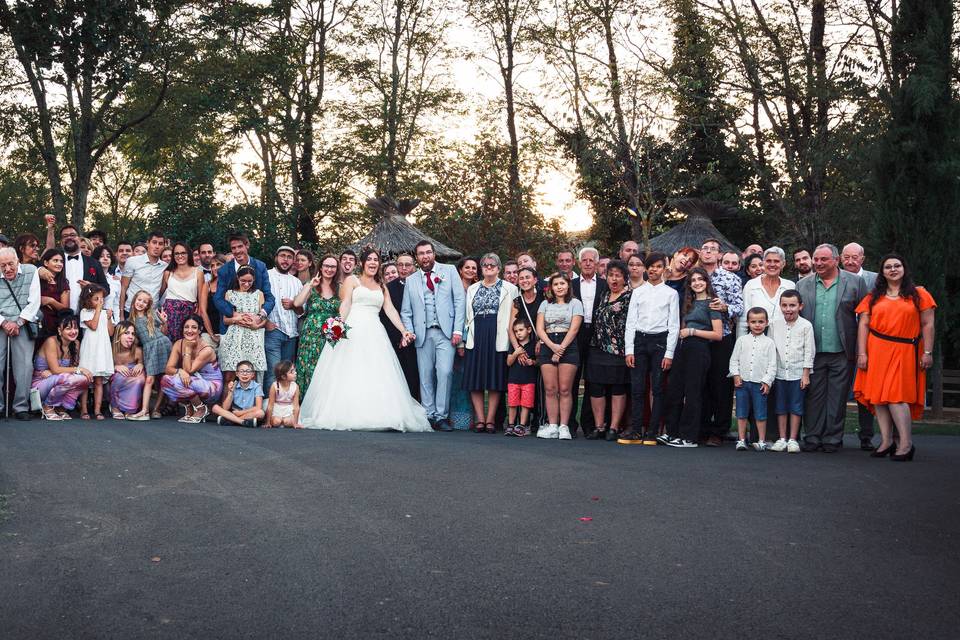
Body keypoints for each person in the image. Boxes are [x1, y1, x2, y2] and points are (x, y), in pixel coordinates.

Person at [301, 247, 431, 432]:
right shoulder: (351, 280)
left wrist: (404, 330)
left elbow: (390, 310)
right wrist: (338, 324)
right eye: (369, 259)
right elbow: (345, 304)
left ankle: (381, 414)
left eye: (375, 260)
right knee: (350, 370)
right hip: (354, 329)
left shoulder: (382, 285)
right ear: (362, 263)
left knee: (377, 371)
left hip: (375, 332)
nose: (372, 263)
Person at [854, 254, 936, 462]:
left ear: (904, 268)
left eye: (897, 265)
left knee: (896, 397)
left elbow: (928, 324)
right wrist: (862, 353)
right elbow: (863, 325)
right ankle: (887, 441)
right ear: (882, 272)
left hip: (904, 349)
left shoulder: (919, 294)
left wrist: (928, 352)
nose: (892, 269)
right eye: (888, 267)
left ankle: (906, 444)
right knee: (879, 397)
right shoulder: (873, 296)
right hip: (877, 349)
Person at [796, 243, 868, 452]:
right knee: (813, 397)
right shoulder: (803, 285)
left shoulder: (855, 282)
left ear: (836, 260)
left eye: (823, 259)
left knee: (837, 398)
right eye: (815, 259)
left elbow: (865, 317)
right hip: (813, 352)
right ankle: (812, 436)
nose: (818, 263)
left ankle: (832, 439)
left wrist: (861, 350)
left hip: (842, 351)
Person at [401, 240, 466, 430]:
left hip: (446, 333)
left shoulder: (449, 271)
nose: (425, 256)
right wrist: (410, 331)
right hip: (422, 334)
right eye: (421, 253)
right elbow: (406, 311)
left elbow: (459, 301)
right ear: (417, 257)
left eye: (428, 252)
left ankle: (441, 416)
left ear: (434, 254)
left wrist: (457, 330)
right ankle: (428, 415)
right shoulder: (411, 280)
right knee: (425, 375)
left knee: (445, 372)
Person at [660, 268, 724, 448]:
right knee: (674, 390)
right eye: (693, 280)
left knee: (693, 393)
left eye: (700, 279)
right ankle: (672, 432)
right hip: (683, 348)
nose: (697, 283)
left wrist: (693, 331)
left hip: (699, 349)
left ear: (706, 282)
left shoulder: (712, 303)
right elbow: (681, 328)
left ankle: (689, 437)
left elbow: (718, 334)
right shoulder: (688, 303)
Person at [620, 252, 679, 445]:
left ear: (664, 269)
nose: (654, 270)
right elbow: (630, 322)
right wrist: (629, 350)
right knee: (637, 388)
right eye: (651, 266)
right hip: (639, 340)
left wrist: (669, 353)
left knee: (657, 388)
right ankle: (637, 430)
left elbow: (674, 326)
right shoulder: (638, 292)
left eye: (658, 266)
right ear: (646, 268)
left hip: (660, 342)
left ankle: (652, 431)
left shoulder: (671, 293)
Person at [463, 253, 519, 433]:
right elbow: (467, 316)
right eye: (485, 264)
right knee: (475, 379)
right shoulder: (473, 288)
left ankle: (490, 420)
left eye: (492, 264)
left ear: (499, 268)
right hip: (476, 334)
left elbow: (515, 317)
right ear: (481, 267)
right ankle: (480, 419)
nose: (488, 267)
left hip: (498, 334)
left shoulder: (510, 288)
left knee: (495, 379)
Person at [698, 238, 745, 447]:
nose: (708, 252)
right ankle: (702, 427)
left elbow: (739, 307)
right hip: (697, 337)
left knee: (721, 384)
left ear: (719, 255)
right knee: (700, 383)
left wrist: (725, 307)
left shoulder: (730, 278)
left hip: (722, 336)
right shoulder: (693, 276)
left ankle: (720, 429)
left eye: (713, 250)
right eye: (705, 249)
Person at [584, 260, 632, 441]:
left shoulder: (630, 297)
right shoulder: (603, 295)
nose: (614, 279)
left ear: (624, 278)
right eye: (611, 275)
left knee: (618, 387)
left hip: (618, 350)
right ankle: (599, 426)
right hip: (597, 348)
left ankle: (613, 427)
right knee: (596, 387)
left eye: (618, 276)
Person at [535, 273, 583, 440]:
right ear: (551, 288)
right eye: (556, 284)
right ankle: (553, 425)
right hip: (548, 344)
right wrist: (552, 347)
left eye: (562, 283)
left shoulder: (575, 303)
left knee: (564, 389)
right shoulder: (544, 304)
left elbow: (574, 329)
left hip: (567, 345)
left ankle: (564, 426)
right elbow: (540, 329)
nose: (559, 287)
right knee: (550, 389)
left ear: (568, 285)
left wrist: (560, 349)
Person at [841, 241, 878, 448]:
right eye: (846, 257)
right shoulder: (836, 277)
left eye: (855, 257)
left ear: (862, 259)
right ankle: (835, 434)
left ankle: (867, 436)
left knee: (866, 392)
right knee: (839, 392)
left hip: (870, 345)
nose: (850, 261)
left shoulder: (875, 280)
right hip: (843, 343)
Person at [768, 290, 815, 453]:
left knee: (796, 406)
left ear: (800, 306)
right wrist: (770, 374)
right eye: (785, 305)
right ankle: (782, 438)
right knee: (780, 406)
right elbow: (771, 349)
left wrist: (806, 374)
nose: (788, 309)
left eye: (792, 305)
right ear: (780, 306)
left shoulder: (806, 326)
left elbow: (809, 351)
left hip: (797, 374)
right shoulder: (774, 324)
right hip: (780, 373)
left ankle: (793, 439)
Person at [571, 247, 608, 435]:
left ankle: (588, 424)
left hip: (596, 335)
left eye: (591, 261)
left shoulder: (604, 284)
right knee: (572, 379)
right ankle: (569, 423)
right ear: (579, 263)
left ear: (596, 264)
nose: (587, 263)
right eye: (584, 260)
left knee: (592, 379)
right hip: (574, 335)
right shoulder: (570, 284)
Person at [0, 247, 40, 420]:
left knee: (24, 366)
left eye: (10, 264)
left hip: (22, 321)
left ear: (18, 261)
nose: (7, 269)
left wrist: (18, 322)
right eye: (2, 266)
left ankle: (21, 406)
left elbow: (34, 301)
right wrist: (4, 322)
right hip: (1, 321)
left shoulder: (31, 271)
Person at [160, 315, 223, 423]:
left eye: (194, 327)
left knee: (178, 381)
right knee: (165, 381)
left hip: (211, 388)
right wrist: (179, 371)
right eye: (186, 327)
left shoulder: (206, 349)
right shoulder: (179, 344)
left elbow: (189, 370)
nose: (189, 330)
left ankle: (201, 408)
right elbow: (168, 368)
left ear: (200, 330)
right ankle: (190, 406)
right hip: (192, 382)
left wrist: (188, 349)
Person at [730, 308, 777, 451]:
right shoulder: (742, 340)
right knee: (741, 412)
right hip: (742, 383)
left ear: (766, 323)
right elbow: (734, 360)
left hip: (759, 384)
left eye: (761, 322)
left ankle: (761, 440)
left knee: (760, 413)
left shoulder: (769, 343)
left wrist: (767, 381)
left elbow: (772, 364)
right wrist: (736, 375)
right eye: (753, 322)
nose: (757, 325)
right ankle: (741, 439)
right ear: (748, 323)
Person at [293, 254, 340, 395]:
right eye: (326, 265)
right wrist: (309, 285)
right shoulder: (312, 285)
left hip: (332, 333)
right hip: (311, 334)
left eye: (333, 266)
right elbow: (297, 303)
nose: (329, 269)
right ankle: (305, 402)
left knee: (328, 368)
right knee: (308, 366)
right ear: (321, 266)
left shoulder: (340, 288)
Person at [213, 233, 275, 334]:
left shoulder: (260, 267)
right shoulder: (224, 270)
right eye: (233, 248)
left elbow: (269, 298)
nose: (237, 251)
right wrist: (234, 314)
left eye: (240, 246)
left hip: (254, 327)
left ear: (247, 245)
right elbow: (218, 298)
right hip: (231, 328)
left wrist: (260, 316)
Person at [33, 315, 91, 420]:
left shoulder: (76, 343)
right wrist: (79, 369)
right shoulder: (51, 341)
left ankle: (61, 406)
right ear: (60, 330)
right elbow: (56, 369)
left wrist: (55, 372)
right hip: (40, 383)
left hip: (58, 379)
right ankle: (48, 406)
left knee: (85, 379)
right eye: (68, 328)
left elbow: (61, 371)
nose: (73, 331)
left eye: (75, 328)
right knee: (68, 377)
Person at [380, 251, 420, 401]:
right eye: (400, 265)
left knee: (420, 377)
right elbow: (385, 316)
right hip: (398, 341)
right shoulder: (388, 288)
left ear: (414, 267)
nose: (403, 268)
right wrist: (400, 336)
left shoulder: (422, 284)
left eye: (407, 265)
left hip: (421, 339)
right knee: (401, 376)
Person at [509, 266, 545, 430]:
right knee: (521, 382)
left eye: (527, 277)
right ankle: (517, 423)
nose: (524, 280)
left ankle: (539, 420)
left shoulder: (543, 298)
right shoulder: (517, 301)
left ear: (535, 280)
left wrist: (541, 341)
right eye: (521, 278)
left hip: (540, 344)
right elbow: (510, 327)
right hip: (521, 345)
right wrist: (518, 350)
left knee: (538, 383)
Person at [219, 264, 267, 382]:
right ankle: (228, 400)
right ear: (237, 279)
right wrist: (237, 319)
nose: (246, 284)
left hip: (253, 338)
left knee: (252, 375)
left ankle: (254, 400)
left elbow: (264, 319)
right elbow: (225, 319)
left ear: (254, 280)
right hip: (234, 338)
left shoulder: (259, 294)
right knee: (230, 375)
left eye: (249, 281)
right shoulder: (229, 294)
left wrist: (256, 325)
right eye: (243, 281)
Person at [264, 246, 302, 390]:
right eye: (282, 256)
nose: (285, 260)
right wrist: (265, 322)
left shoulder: (296, 282)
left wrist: (293, 305)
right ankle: (270, 408)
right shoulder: (266, 276)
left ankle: (284, 407)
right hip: (273, 331)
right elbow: (258, 301)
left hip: (291, 334)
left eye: (289, 257)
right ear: (276, 257)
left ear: (293, 261)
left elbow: (301, 311)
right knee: (273, 373)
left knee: (287, 374)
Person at [129, 291, 172, 419]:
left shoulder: (151, 315)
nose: (141, 303)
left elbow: (164, 332)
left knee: (162, 379)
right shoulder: (131, 320)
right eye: (139, 300)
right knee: (150, 379)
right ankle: (144, 411)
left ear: (148, 305)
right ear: (134, 300)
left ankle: (156, 409)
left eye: (144, 302)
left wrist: (164, 322)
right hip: (149, 348)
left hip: (162, 344)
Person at [737, 247, 794, 337]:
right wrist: (741, 344)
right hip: (756, 341)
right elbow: (743, 320)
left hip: (784, 340)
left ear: (783, 264)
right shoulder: (751, 285)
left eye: (776, 261)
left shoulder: (790, 286)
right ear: (763, 263)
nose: (772, 264)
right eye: (768, 261)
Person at [77, 285, 114, 420]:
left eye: (101, 298)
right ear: (88, 300)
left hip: (102, 348)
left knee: (98, 381)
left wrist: (109, 318)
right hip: (90, 348)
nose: (100, 301)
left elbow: (111, 332)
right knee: (86, 380)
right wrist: (99, 310)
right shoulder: (85, 312)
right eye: (96, 299)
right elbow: (93, 326)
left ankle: (97, 410)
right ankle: (84, 409)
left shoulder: (104, 313)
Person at [159, 242, 205, 342]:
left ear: (188, 254)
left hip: (188, 314)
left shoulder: (198, 273)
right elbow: (158, 294)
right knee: (169, 345)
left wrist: (198, 317)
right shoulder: (168, 273)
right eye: (176, 253)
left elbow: (201, 300)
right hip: (169, 314)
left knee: (187, 345)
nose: (180, 256)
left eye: (183, 253)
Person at [58, 225, 108, 311]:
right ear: (61, 241)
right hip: (59, 315)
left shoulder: (94, 263)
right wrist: (40, 270)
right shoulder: (55, 260)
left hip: (87, 315)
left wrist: (92, 287)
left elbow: (106, 288)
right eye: (65, 236)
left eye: (73, 235)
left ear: (79, 239)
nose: (69, 238)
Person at [120, 230, 167, 317]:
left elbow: (161, 291)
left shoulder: (165, 267)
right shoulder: (132, 261)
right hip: (131, 311)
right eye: (154, 242)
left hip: (151, 314)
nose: (157, 246)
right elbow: (123, 288)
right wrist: (121, 314)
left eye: (160, 244)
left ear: (164, 246)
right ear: (147, 243)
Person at [109, 321, 149, 420]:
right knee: (119, 377)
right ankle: (115, 406)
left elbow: (142, 364)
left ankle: (130, 409)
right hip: (116, 379)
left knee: (140, 379)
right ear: (118, 335)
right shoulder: (110, 350)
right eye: (126, 333)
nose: (130, 336)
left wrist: (140, 364)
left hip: (132, 376)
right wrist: (114, 367)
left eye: (132, 334)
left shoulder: (138, 351)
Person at [505, 319, 537, 436]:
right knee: (512, 403)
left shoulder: (533, 344)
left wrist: (532, 362)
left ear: (528, 330)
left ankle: (522, 426)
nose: (518, 333)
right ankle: (511, 424)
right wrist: (516, 353)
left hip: (528, 380)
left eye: (521, 330)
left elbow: (538, 361)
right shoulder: (513, 345)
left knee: (526, 404)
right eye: (516, 331)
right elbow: (508, 362)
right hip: (513, 379)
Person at [212, 360, 265, 427]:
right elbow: (225, 408)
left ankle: (231, 420)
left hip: (248, 412)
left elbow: (258, 407)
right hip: (235, 412)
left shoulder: (257, 386)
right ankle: (242, 422)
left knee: (260, 413)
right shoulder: (234, 385)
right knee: (215, 408)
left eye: (248, 371)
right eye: (241, 371)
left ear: (252, 374)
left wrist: (240, 413)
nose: (245, 374)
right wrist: (231, 392)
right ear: (237, 374)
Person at [37, 248, 70, 341]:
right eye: (55, 260)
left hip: (54, 325)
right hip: (37, 323)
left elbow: (65, 309)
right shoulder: (36, 280)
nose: (59, 264)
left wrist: (50, 301)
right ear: (46, 263)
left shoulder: (63, 283)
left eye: (61, 261)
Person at [199, 253, 227, 345]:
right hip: (210, 331)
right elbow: (203, 311)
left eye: (218, 264)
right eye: (212, 266)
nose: (215, 268)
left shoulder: (232, 284)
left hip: (229, 331)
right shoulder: (207, 285)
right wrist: (211, 335)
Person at [265, 360, 301, 428]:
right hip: (277, 409)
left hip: (289, 409)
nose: (295, 373)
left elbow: (296, 406)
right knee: (276, 422)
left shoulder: (295, 386)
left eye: (294, 370)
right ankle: (278, 420)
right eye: (292, 372)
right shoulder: (275, 386)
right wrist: (268, 422)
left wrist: (295, 423)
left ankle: (285, 421)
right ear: (283, 377)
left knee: (287, 422)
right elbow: (270, 405)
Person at [92, 245, 121, 321]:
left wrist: (117, 322)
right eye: (101, 256)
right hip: (92, 319)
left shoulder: (115, 281)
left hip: (110, 320)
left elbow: (116, 304)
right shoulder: (91, 278)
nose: (105, 258)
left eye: (108, 256)